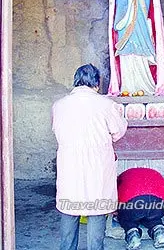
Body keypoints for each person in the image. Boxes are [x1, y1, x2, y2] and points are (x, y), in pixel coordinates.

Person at [51, 64, 127, 250]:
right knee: (97, 209)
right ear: (96, 83)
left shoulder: (59, 105)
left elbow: (57, 131)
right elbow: (118, 131)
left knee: (70, 207)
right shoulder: (106, 104)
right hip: (98, 164)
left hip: (70, 164)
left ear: (76, 81)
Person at [116, 167, 164, 249]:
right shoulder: (153, 172)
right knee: (152, 217)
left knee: (126, 219)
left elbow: (115, 197)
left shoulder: (121, 178)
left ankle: (133, 236)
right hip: (160, 201)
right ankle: (159, 232)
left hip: (134, 201)